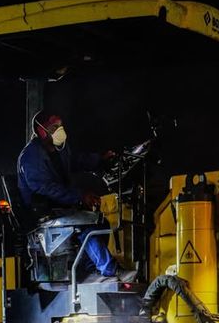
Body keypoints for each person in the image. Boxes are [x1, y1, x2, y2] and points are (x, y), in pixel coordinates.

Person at [16, 110, 135, 282]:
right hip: (43, 211)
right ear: (42, 131)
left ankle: (92, 269)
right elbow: (45, 188)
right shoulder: (30, 157)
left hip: (59, 207)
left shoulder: (58, 149)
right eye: (55, 127)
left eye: (61, 125)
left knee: (101, 221)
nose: (60, 130)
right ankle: (111, 271)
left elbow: (75, 161)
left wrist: (99, 160)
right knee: (86, 227)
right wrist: (80, 196)